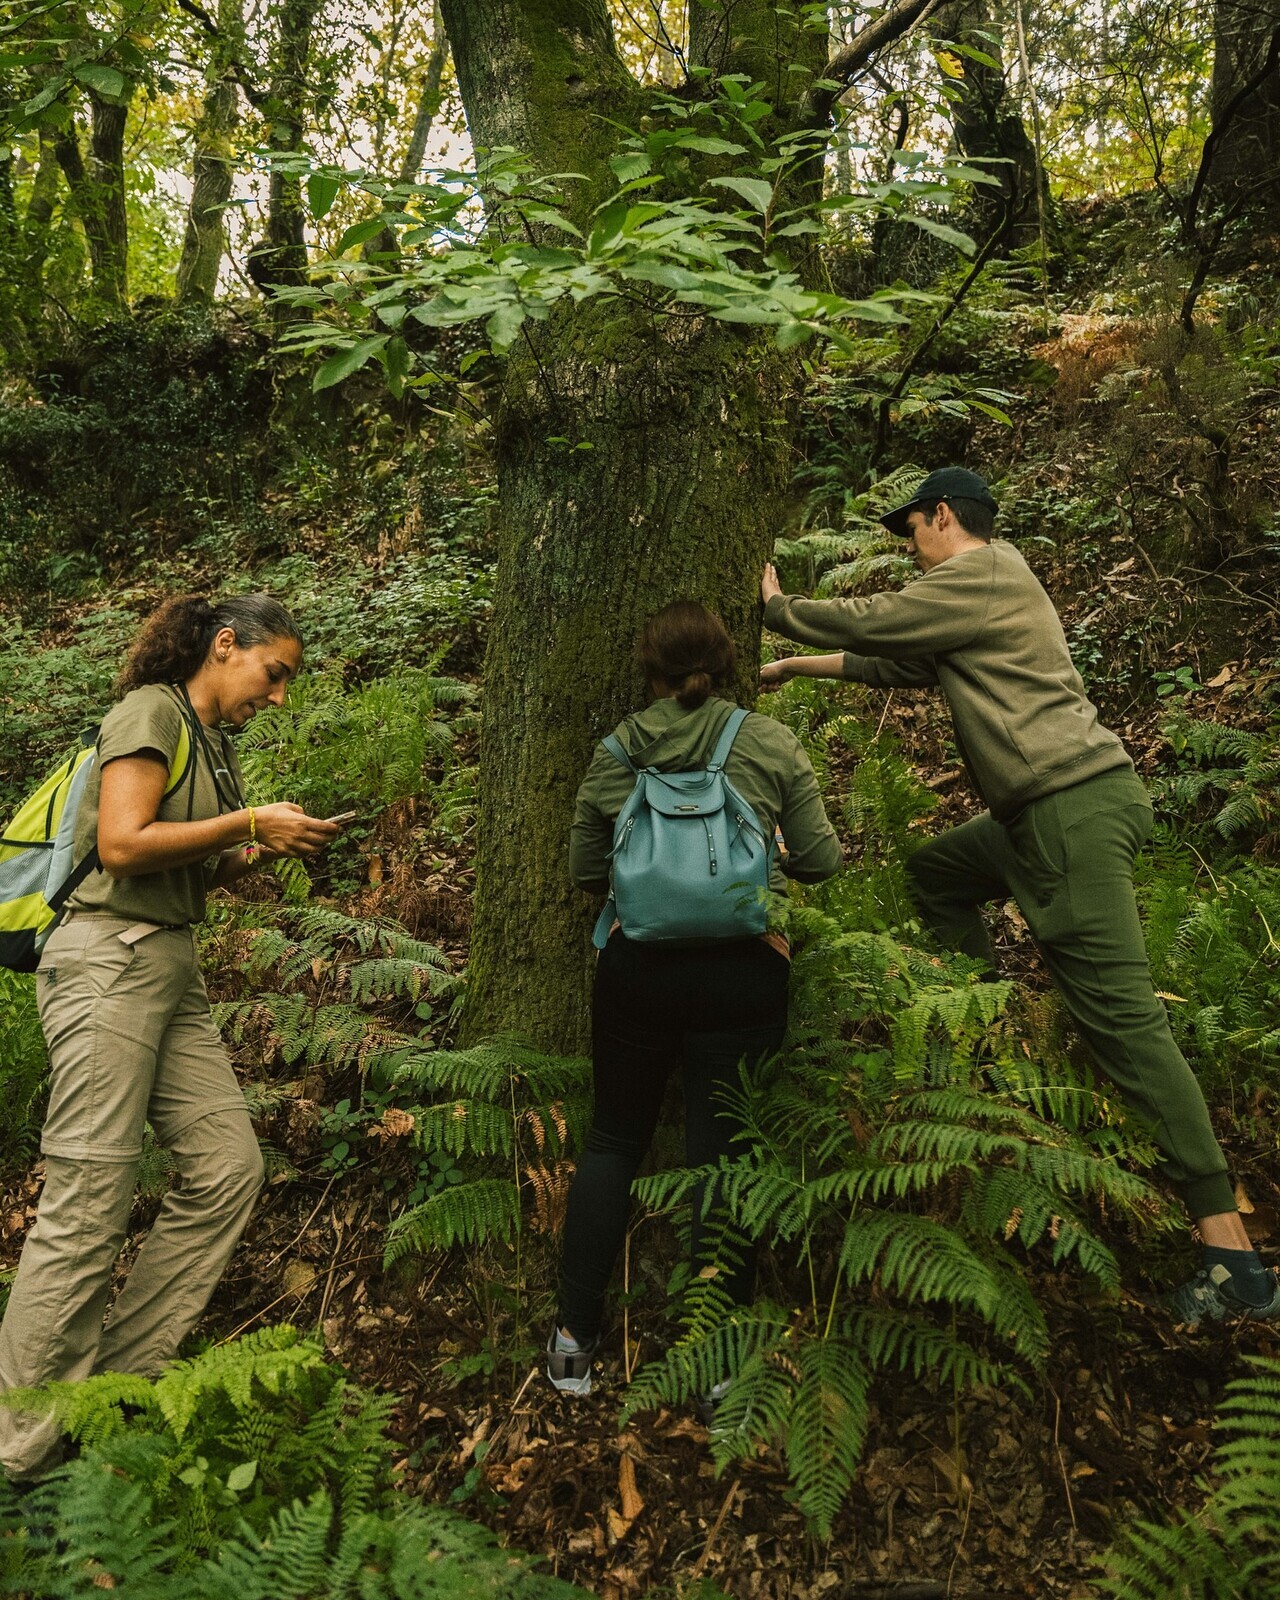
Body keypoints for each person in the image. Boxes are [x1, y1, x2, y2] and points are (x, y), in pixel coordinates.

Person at [760, 467, 1279, 1328]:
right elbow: (893, 662)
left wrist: (780, 607)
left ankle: (1233, 1261)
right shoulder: (980, 595)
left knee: (1124, 1024)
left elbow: (879, 620)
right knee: (937, 873)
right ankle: (988, 1030)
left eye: (910, 531)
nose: (908, 549)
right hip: (1045, 811)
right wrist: (792, 665)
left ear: (941, 516)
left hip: (1069, 813)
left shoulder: (982, 571)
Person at [0, 594, 340, 1481]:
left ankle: (108, 1391)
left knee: (228, 1168)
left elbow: (185, 860)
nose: (278, 696)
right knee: (88, 1201)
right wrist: (249, 822)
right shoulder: (150, 711)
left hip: (168, 967)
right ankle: (20, 1456)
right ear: (226, 645)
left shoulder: (212, 743)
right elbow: (121, 844)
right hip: (105, 961)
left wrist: (257, 848)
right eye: (274, 673)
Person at [548, 601, 842, 1398]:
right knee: (725, 1158)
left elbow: (583, 871)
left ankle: (573, 1341)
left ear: (648, 672)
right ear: (727, 663)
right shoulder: (768, 742)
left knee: (614, 1141)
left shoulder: (619, 750)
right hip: (745, 973)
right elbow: (822, 861)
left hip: (638, 971)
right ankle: (718, 1365)